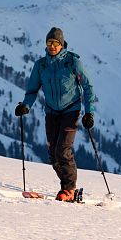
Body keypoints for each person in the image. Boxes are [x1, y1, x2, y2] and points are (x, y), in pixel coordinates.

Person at [15, 27, 96, 202]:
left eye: (55, 43)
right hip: (52, 112)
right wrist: (25, 106)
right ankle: (66, 186)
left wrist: (89, 113)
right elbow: (32, 90)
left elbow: (88, 87)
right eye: (49, 43)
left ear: (62, 44)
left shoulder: (72, 62)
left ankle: (69, 189)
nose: (52, 46)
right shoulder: (41, 65)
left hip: (71, 110)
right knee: (53, 153)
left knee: (63, 149)